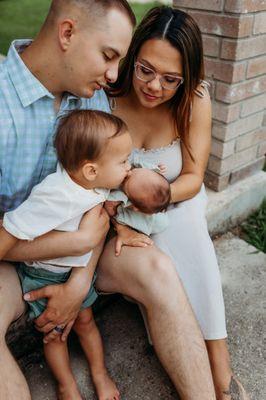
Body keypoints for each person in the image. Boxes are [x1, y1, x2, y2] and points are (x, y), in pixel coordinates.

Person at [0, 1, 216, 399]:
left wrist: (80, 278)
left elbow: (103, 200)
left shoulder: (93, 99)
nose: (116, 75)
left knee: (159, 269)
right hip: (13, 260)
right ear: (68, 34)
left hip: (87, 250)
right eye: (108, 55)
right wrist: (75, 244)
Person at [105, 5, 250, 400]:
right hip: (119, 212)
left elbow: (192, 176)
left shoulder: (194, 99)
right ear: (132, 57)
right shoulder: (108, 94)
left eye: (171, 79)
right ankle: (211, 365)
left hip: (176, 196)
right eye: (145, 70)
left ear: (187, 78)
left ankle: (217, 357)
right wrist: (126, 213)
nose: (154, 87)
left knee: (185, 224)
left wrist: (157, 199)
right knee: (172, 242)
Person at [0, 109, 132, 400]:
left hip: (75, 272)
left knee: (86, 323)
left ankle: (99, 373)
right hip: (41, 276)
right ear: (91, 171)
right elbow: (13, 226)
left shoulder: (95, 185)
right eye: (123, 161)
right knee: (55, 336)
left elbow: (114, 206)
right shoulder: (55, 195)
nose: (129, 168)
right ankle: (66, 384)